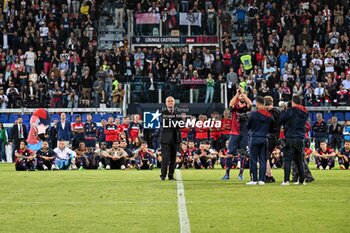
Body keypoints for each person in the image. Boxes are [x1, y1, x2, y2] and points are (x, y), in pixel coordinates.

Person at [222, 86, 252, 180]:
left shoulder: (247, 108)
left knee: (243, 154)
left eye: (244, 96)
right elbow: (230, 104)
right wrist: (237, 94)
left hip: (244, 133)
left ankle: (240, 174)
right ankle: (227, 174)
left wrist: (242, 93)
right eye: (241, 96)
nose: (242, 97)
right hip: (234, 132)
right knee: (230, 154)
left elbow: (250, 103)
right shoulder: (235, 107)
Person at [280, 95, 308, 185]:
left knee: (287, 160)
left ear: (293, 102)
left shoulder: (290, 111)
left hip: (290, 137)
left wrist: (284, 109)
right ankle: (302, 180)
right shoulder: (305, 112)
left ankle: (286, 180)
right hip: (300, 138)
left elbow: (281, 119)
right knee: (299, 160)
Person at [246, 96, 273, 185]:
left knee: (253, 159)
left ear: (257, 104)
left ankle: (254, 179)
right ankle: (262, 179)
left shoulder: (254, 114)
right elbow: (272, 127)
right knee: (263, 159)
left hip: (255, 138)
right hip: (265, 138)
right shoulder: (269, 115)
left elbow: (248, 126)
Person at [160, 96, 181, 180]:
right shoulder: (163, 113)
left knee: (173, 158)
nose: (170, 102)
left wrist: (174, 123)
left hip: (175, 139)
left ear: (174, 103)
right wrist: (175, 123)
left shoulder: (178, 112)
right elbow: (166, 123)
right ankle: (163, 175)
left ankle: (171, 175)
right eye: (168, 101)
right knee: (165, 158)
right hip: (165, 139)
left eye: (171, 101)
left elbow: (180, 124)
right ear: (166, 103)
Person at [264, 96, 281, 183]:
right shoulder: (278, 112)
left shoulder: (270, 113)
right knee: (267, 156)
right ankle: (269, 175)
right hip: (275, 137)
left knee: (265, 156)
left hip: (270, 136)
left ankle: (268, 175)